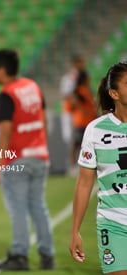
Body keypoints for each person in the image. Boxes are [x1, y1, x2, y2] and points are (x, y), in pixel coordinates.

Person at [0, 49, 55, 270]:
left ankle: (19, 255)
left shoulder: (7, 94)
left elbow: (5, 133)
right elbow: (43, 120)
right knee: (39, 207)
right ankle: (47, 256)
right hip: (39, 156)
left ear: (2, 69)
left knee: (18, 210)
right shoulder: (32, 87)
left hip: (17, 160)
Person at [69, 61, 127, 274]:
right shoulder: (95, 130)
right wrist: (75, 231)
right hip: (113, 223)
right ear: (114, 93)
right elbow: (84, 183)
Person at [60, 54, 88, 174]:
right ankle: (71, 166)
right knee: (73, 139)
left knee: (79, 140)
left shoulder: (82, 76)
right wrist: (78, 105)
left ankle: (78, 164)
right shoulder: (70, 77)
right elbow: (67, 94)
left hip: (78, 113)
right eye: (80, 62)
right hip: (70, 112)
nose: (83, 65)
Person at [66, 70, 97, 175]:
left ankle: (78, 166)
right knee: (77, 144)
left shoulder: (85, 91)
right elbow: (73, 105)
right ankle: (74, 166)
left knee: (80, 145)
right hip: (81, 122)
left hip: (86, 122)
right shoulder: (79, 91)